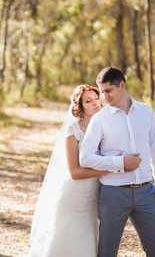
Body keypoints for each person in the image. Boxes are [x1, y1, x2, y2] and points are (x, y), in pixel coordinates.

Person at [80, 67, 155, 257]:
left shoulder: (146, 111)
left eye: (108, 91)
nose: (104, 97)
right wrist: (120, 163)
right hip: (113, 194)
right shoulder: (100, 120)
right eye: (101, 91)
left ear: (122, 85)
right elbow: (85, 157)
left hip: (146, 192)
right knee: (107, 252)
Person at [28, 85, 108, 257]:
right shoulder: (73, 131)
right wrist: (108, 168)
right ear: (80, 107)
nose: (95, 103)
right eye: (88, 101)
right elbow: (74, 172)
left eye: (96, 98)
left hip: (93, 199)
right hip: (74, 197)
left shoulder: (104, 126)